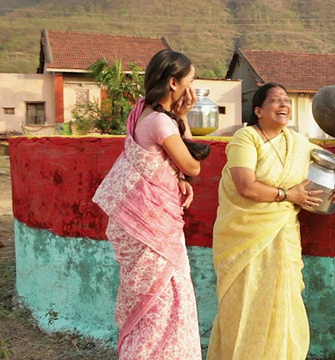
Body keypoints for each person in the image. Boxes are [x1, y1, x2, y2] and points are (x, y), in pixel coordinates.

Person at [207, 82, 335, 359]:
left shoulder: (297, 142)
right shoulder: (246, 138)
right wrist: (290, 194)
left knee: (283, 304)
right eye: (276, 100)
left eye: (287, 100)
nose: (284, 105)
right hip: (242, 237)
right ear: (259, 110)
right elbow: (245, 186)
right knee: (242, 305)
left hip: (283, 236)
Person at [93, 49, 208, 359]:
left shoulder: (141, 111)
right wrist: (184, 117)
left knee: (156, 300)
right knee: (163, 303)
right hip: (150, 229)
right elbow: (193, 164)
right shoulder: (160, 122)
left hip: (141, 222)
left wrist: (177, 177)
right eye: (190, 81)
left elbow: (162, 164)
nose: (192, 89)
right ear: (174, 83)